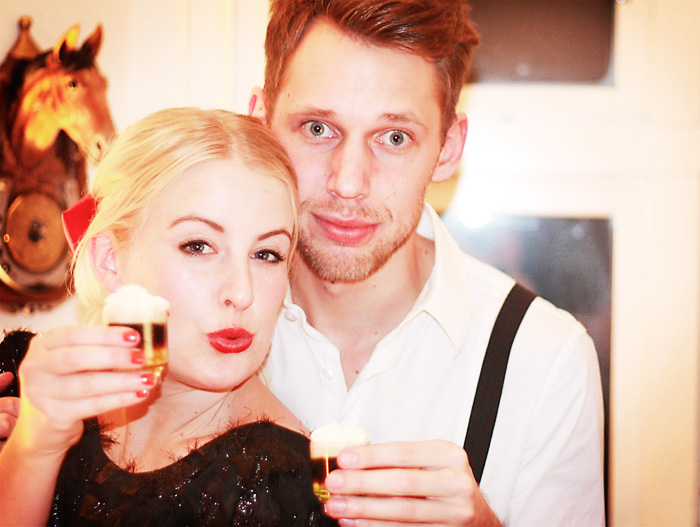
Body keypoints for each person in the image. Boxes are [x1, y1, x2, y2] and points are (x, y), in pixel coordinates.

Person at [248, 1, 606, 526]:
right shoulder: (193, 324)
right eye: (318, 128)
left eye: (394, 137)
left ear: (448, 148)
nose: (348, 182)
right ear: (261, 123)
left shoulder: (545, 358)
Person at [0, 108, 336, 526]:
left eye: (267, 254)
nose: (242, 293)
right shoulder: (19, 387)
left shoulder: (285, 488)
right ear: (109, 260)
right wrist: (33, 447)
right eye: (198, 246)